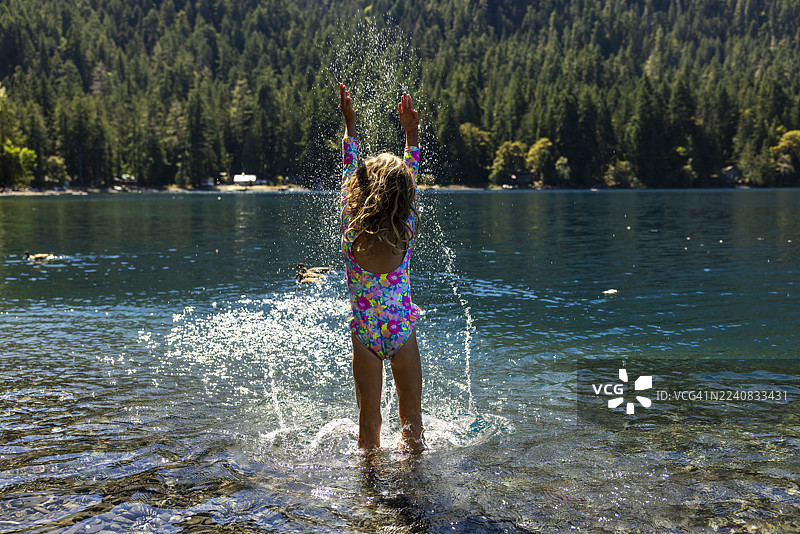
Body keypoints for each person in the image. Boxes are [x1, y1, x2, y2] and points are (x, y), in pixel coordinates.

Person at [339, 83, 424, 452]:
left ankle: (369, 481)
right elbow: (412, 172)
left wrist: (350, 124)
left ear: (358, 192)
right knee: (412, 420)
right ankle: (416, 478)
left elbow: (349, 168)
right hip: (401, 332)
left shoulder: (351, 230)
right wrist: (411, 133)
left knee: (368, 424)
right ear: (405, 196)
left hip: (365, 337)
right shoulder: (406, 231)